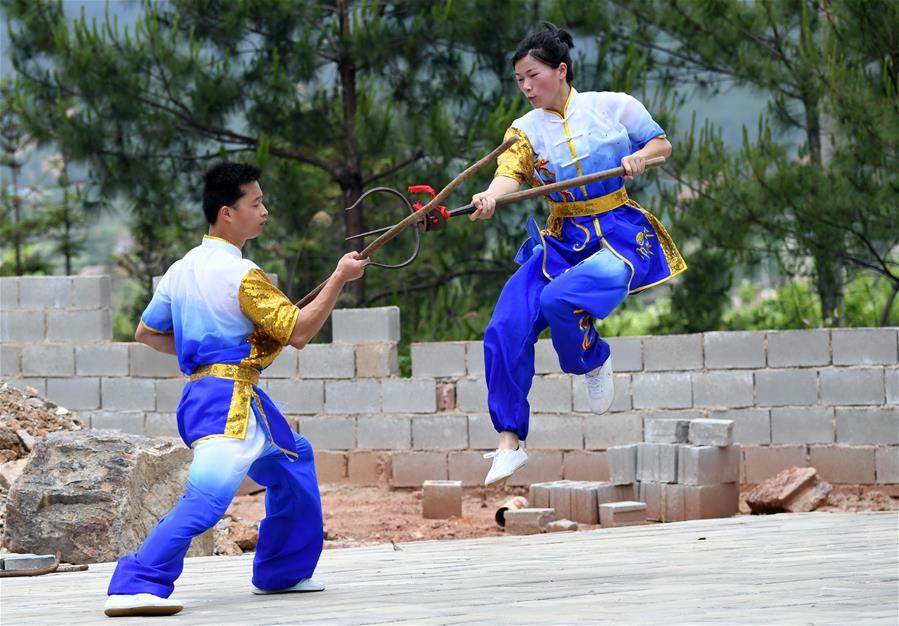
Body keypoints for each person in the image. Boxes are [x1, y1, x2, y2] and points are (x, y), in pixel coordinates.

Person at [104, 163, 368, 617]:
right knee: (206, 499)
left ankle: (281, 572)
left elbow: (146, 333)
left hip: (217, 396)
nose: (264, 211)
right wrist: (339, 278)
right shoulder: (242, 274)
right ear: (228, 213)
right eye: (256, 203)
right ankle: (135, 583)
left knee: (293, 459)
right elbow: (301, 332)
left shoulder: (181, 270)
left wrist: (203, 353)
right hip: (228, 404)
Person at [470, 24, 686, 488]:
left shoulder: (612, 106)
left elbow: (660, 143)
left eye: (533, 75)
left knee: (559, 300)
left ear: (561, 70)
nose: (526, 87)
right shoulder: (523, 131)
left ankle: (591, 356)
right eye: (519, 80)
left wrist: (640, 159)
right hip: (562, 237)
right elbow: (510, 173)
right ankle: (509, 440)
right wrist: (490, 196)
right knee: (505, 324)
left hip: (617, 232)